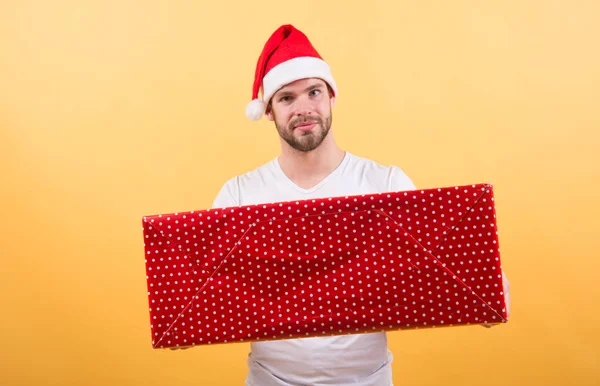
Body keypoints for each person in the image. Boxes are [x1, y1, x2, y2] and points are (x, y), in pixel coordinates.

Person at [211, 24, 510, 386]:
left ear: (332, 96)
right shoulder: (239, 195)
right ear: (269, 111)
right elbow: (212, 293)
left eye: (314, 92)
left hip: (367, 380)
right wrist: (186, 318)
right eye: (287, 98)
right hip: (269, 380)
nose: (304, 108)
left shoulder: (385, 185)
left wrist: (486, 293)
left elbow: (451, 274)